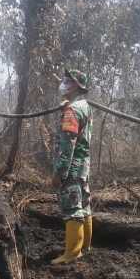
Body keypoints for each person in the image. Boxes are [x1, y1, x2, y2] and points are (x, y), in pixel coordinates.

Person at [50, 68, 93, 266]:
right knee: (84, 205)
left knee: (72, 208)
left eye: (68, 80)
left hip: (72, 167)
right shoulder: (83, 106)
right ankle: (85, 247)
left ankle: (73, 252)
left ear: (76, 85)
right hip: (83, 165)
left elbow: (68, 146)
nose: (63, 82)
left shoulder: (72, 111)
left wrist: (59, 172)